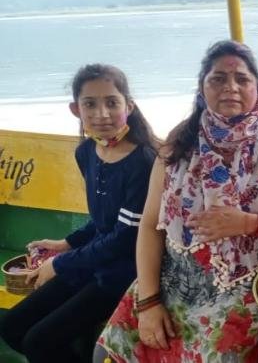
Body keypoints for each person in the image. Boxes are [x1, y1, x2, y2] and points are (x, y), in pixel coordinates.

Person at [94, 40, 258, 362]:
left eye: (242, 79)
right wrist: (148, 302)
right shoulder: (181, 140)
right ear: (202, 89)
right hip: (175, 276)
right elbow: (149, 225)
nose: (230, 87)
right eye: (218, 78)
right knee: (109, 349)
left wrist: (249, 223)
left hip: (251, 279)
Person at [0, 64, 158, 362]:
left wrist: (59, 264)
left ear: (130, 106)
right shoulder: (86, 152)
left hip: (127, 273)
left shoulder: (144, 162)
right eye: (90, 104)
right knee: (11, 327)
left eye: (112, 102)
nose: (102, 114)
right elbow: (102, 223)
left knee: (38, 342)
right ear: (76, 109)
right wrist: (67, 244)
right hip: (94, 262)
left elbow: (125, 239)